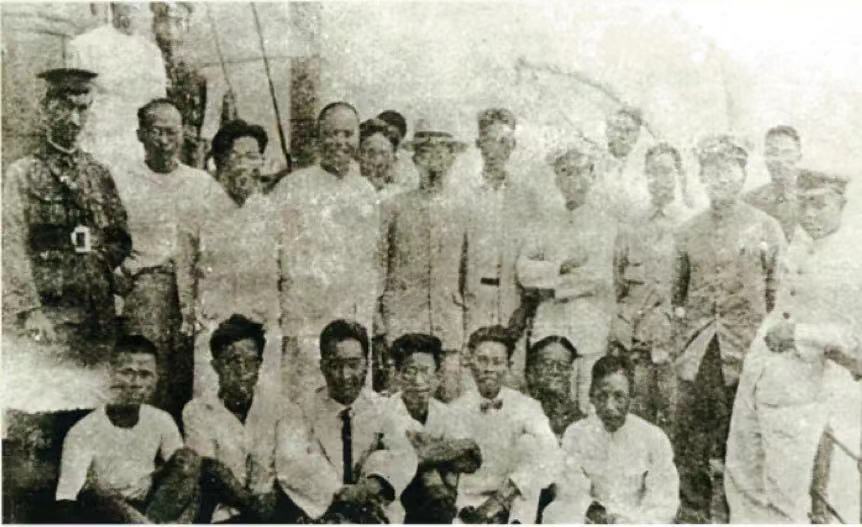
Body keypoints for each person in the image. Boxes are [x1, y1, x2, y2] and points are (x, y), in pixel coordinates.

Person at [725, 170, 862, 523]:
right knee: (742, 478)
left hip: (802, 386)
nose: (811, 214)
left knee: (785, 493)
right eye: (804, 204)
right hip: (760, 373)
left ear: (841, 206)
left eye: (820, 204)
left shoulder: (852, 258)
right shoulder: (802, 241)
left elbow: (854, 337)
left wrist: (799, 334)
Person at [671, 134, 785, 522]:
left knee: (744, 442)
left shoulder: (767, 228)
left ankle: (741, 516)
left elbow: (778, 296)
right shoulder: (687, 231)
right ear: (702, 176)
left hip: (749, 349)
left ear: (741, 173)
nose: (720, 177)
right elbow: (678, 296)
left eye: (728, 168)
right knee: (691, 437)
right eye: (712, 169)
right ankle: (694, 512)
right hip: (700, 349)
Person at [2, 68, 130, 368]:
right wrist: (30, 310)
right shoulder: (23, 173)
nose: (75, 120)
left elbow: (120, 237)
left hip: (97, 312)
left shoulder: (97, 173)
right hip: (51, 315)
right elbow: (9, 246)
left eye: (82, 109)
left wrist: (98, 265)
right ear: (47, 109)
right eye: (66, 108)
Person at [116, 98, 233, 419]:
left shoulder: (201, 184)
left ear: (184, 134)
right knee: (146, 374)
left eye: (173, 132)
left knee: (189, 374)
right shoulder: (122, 180)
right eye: (157, 132)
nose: (166, 141)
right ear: (141, 134)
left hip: (192, 291)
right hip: (146, 288)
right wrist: (121, 271)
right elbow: (107, 237)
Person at [271, 102, 379, 401]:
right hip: (306, 321)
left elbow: (369, 263)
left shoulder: (366, 192)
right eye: (332, 134)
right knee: (305, 400)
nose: (340, 142)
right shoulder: (292, 188)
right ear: (319, 137)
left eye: (348, 134)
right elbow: (278, 258)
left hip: (351, 320)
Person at [274, 319, 418, 523]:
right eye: (335, 365)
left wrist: (369, 487)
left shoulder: (385, 408)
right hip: (323, 515)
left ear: (367, 365)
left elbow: (404, 453)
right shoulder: (300, 411)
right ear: (322, 366)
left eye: (353, 364)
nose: (344, 376)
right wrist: (342, 496)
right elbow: (291, 462)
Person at [517, 135, 618, 414]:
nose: (573, 179)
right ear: (557, 179)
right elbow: (524, 271)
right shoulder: (543, 223)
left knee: (586, 405)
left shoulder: (605, 225)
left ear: (592, 175)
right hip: (550, 326)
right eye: (565, 172)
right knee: (547, 403)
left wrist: (550, 284)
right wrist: (560, 267)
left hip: (588, 327)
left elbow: (597, 277)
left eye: (580, 171)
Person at [55, 335, 200, 523]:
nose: (135, 383)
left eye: (145, 374)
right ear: (111, 375)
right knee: (97, 493)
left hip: (152, 509)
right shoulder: (84, 430)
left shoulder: (161, 420)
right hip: (109, 514)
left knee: (190, 459)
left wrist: (153, 477)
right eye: (127, 372)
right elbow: (66, 499)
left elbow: (182, 475)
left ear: (156, 379)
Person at [377, 116, 471, 402]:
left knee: (450, 403)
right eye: (426, 151)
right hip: (405, 322)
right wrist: (378, 319)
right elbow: (379, 263)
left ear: (452, 158)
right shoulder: (395, 206)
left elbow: (468, 270)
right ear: (415, 158)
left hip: (447, 325)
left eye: (442, 151)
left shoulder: (464, 209)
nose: (434, 159)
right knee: (402, 404)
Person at [192, 119, 282, 398]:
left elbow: (283, 272)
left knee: (264, 406)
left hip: (262, 329)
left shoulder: (271, 212)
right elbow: (185, 274)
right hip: (213, 330)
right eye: (237, 156)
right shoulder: (200, 211)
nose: (245, 165)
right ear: (220, 161)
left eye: (253, 156)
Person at [183, 315, 296, 522]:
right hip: (221, 516)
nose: (242, 371)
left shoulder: (280, 408)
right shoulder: (197, 411)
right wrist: (251, 504)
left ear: (260, 364)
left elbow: (289, 465)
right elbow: (210, 471)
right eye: (233, 361)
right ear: (216, 366)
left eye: (251, 362)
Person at [543, 355, 679, 524]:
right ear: (591, 396)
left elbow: (663, 501)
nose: (609, 406)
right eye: (602, 396)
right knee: (555, 512)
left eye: (618, 396)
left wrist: (630, 521)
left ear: (632, 396)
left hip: (636, 519)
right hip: (591, 518)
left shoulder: (653, 438)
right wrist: (592, 511)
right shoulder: (576, 434)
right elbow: (569, 489)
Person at [611, 143, 688, 431]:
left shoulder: (691, 223)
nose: (659, 179)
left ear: (679, 174)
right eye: (652, 172)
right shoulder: (630, 224)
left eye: (667, 171)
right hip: (636, 342)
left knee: (674, 419)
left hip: (675, 342)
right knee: (636, 419)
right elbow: (617, 283)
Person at [448, 326, 558, 524]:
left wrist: (504, 495)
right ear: (470, 361)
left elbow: (550, 452)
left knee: (531, 444)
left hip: (516, 499)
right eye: (482, 360)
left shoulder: (527, 406)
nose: (489, 369)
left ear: (508, 365)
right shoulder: (455, 409)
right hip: (472, 502)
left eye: (497, 362)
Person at [464, 108, 539, 389]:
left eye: (504, 141)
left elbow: (535, 257)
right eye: (490, 140)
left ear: (513, 146)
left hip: (512, 302)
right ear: (479, 143)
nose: (497, 149)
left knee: (510, 382)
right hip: (475, 302)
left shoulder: (528, 199)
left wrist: (525, 306)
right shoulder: (464, 193)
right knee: (472, 382)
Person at [387, 333, 482, 523]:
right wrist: (455, 448)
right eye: (410, 371)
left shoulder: (445, 413)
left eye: (425, 371)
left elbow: (471, 460)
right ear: (397, 375)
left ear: (438, 376)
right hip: (399, 499)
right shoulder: (386, 410)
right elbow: (405, 458)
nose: (418, 381)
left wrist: (429, 453)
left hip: (440, 503)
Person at [67, 2, 167, 171]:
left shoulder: (151, 52)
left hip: (138, 146)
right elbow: (73, 101)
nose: (131, 10)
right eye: (125, 6)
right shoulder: (84, 46)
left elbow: (159, 104)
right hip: (99, 143)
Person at [524, 335, 584, 523]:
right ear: (531, 372)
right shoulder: (517, 411)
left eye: (563, 366)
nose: (556, 372)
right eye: (548, 364)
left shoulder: (580, 421)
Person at [151, 2, 208, 168]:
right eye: (164, 21)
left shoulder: (197, 66)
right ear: (154, 25)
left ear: (187, 25)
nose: (170, 29)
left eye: (177, 22)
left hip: (191, 147)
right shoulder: (146, 60)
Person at [591, 106, 652, 223]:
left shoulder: (643, 169)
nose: (622, 136)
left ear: (637, 135)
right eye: (617, 129)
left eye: (628, 131)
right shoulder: (594, 165)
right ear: (608, 131)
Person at [744, 126, 804, 240]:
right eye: (773, 152)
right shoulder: (750, 201)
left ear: (799, 156)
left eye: (787, 152)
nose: (779, 159)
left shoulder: (811, 198)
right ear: (765, 157)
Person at [359, 117, 403, 199]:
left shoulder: (399, 195)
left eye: (384, 154)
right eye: (371, 153)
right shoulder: (350, 191)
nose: (377, 160)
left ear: (394, 159)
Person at [378, 109, 420, 193]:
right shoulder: (366, 158)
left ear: (401, 138)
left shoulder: (408, 166)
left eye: (393, 138)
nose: (388, 141)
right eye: (384, 135)